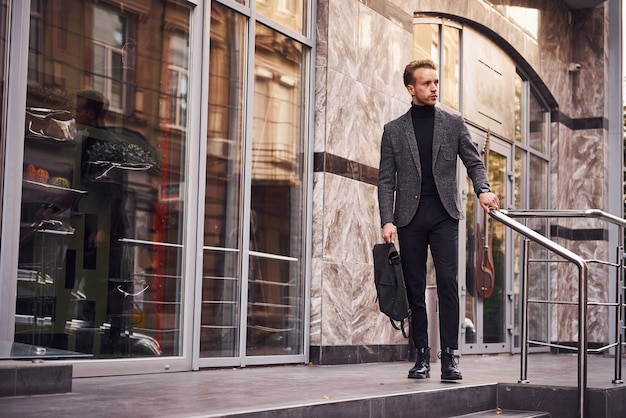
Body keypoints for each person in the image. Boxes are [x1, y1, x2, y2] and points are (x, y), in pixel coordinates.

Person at [377, 59, 500, 381]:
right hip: (409, 217)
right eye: (426, 83)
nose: (434, 88)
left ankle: (449, 357)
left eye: (435, 82)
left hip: (445, 215)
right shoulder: (393, 130)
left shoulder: (453, 123)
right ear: (411, 88)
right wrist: (387, 220)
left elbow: (474, 163)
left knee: (447, 283)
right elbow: (386, 180)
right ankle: (421, 356)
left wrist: (483, 190)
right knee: (415, 288)